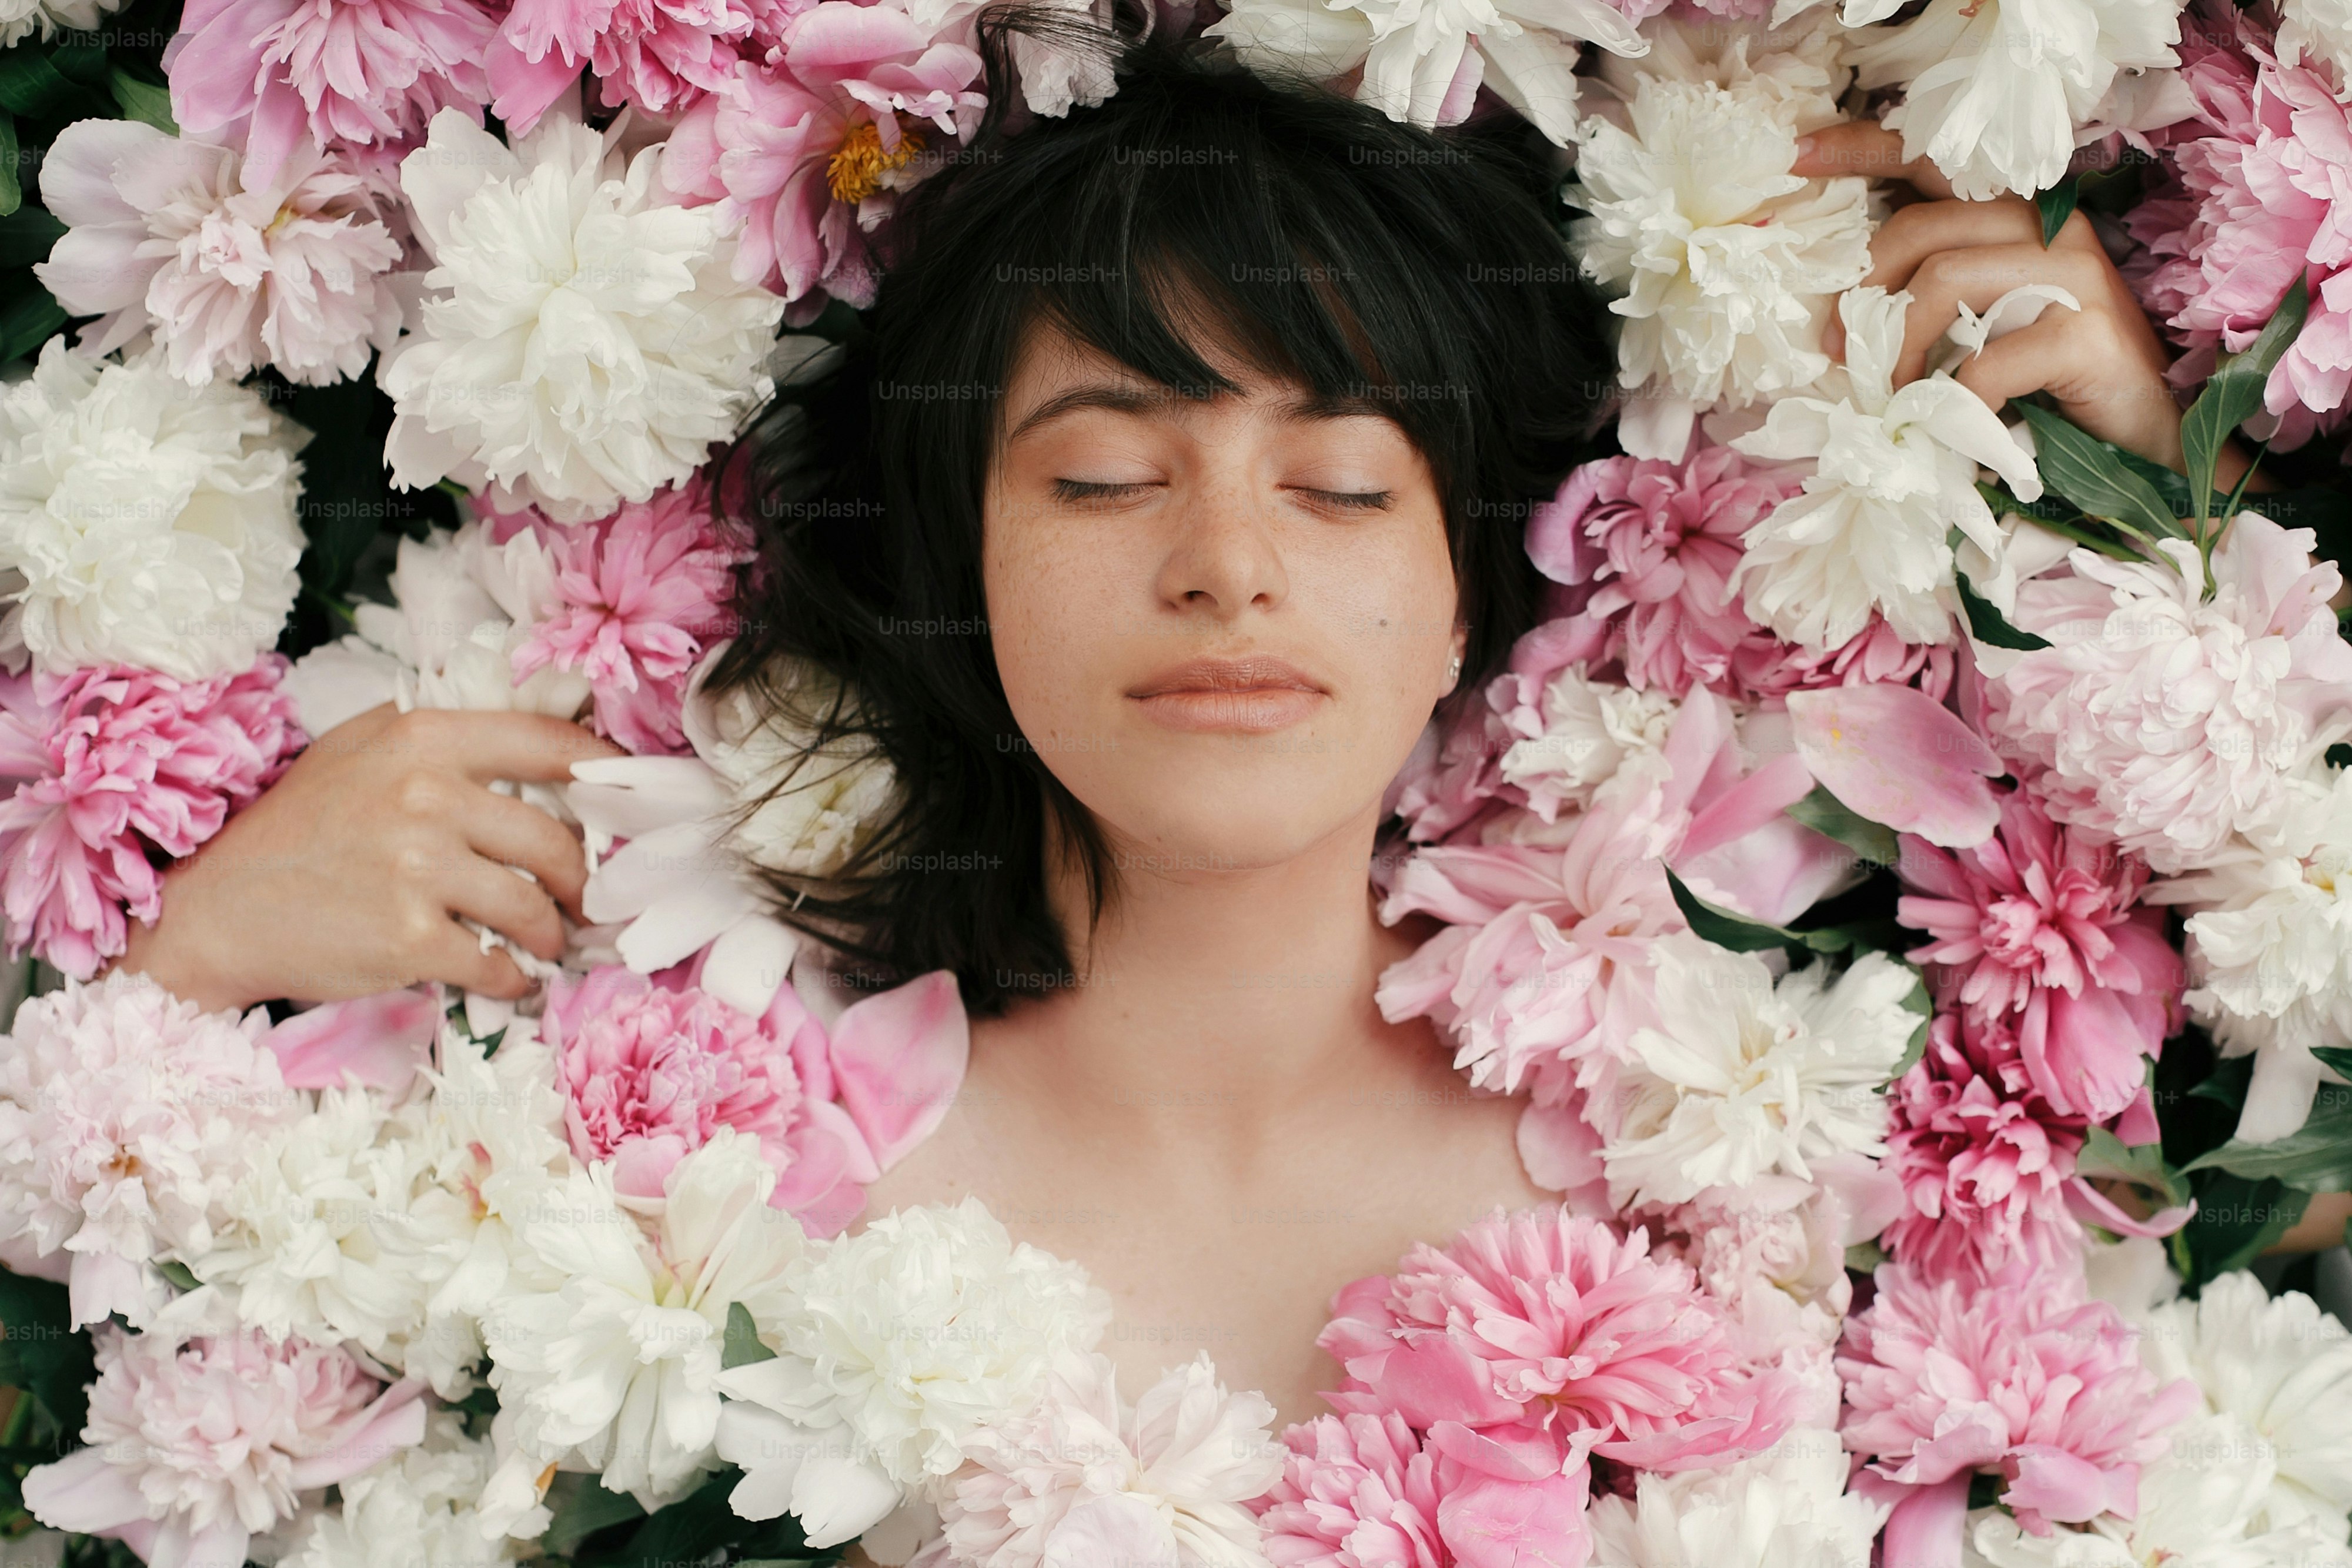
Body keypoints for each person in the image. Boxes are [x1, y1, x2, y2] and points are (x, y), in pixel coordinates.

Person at [113, 26, 2337, 1441]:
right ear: (961, 554)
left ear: (1467, 583)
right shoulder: (666, 1188)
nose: (1227, 567)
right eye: (1103, 476)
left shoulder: (1768, 1145)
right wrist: (183, 967)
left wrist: (2156, 499)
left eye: (1342, 484)